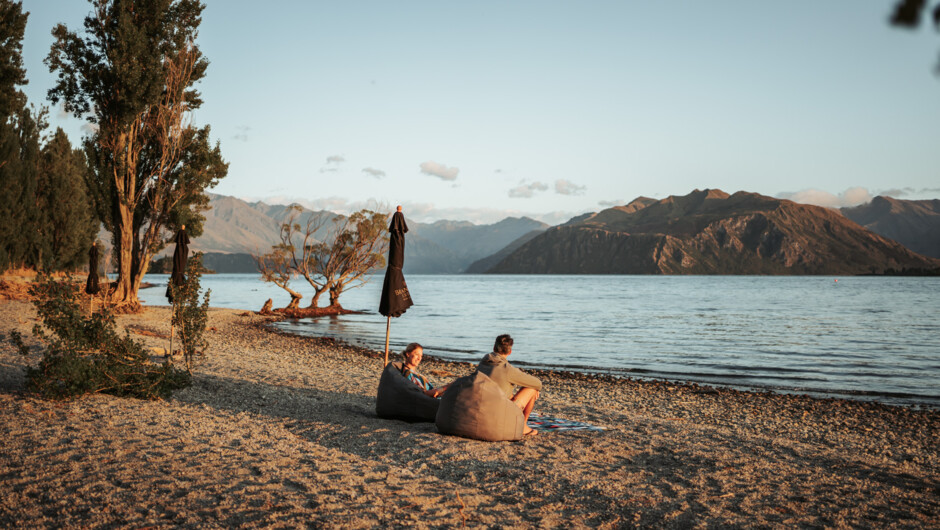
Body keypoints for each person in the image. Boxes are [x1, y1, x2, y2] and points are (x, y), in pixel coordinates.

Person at [477, 334, 542, 436]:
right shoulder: (507, 369)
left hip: (482, 409)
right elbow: (538, 383)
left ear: (494, 347)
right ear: (510, 352)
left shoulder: (484, 361)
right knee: (532, 389)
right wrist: (536, 388)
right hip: (498, 414)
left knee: (505, 388)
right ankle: (523, 427)